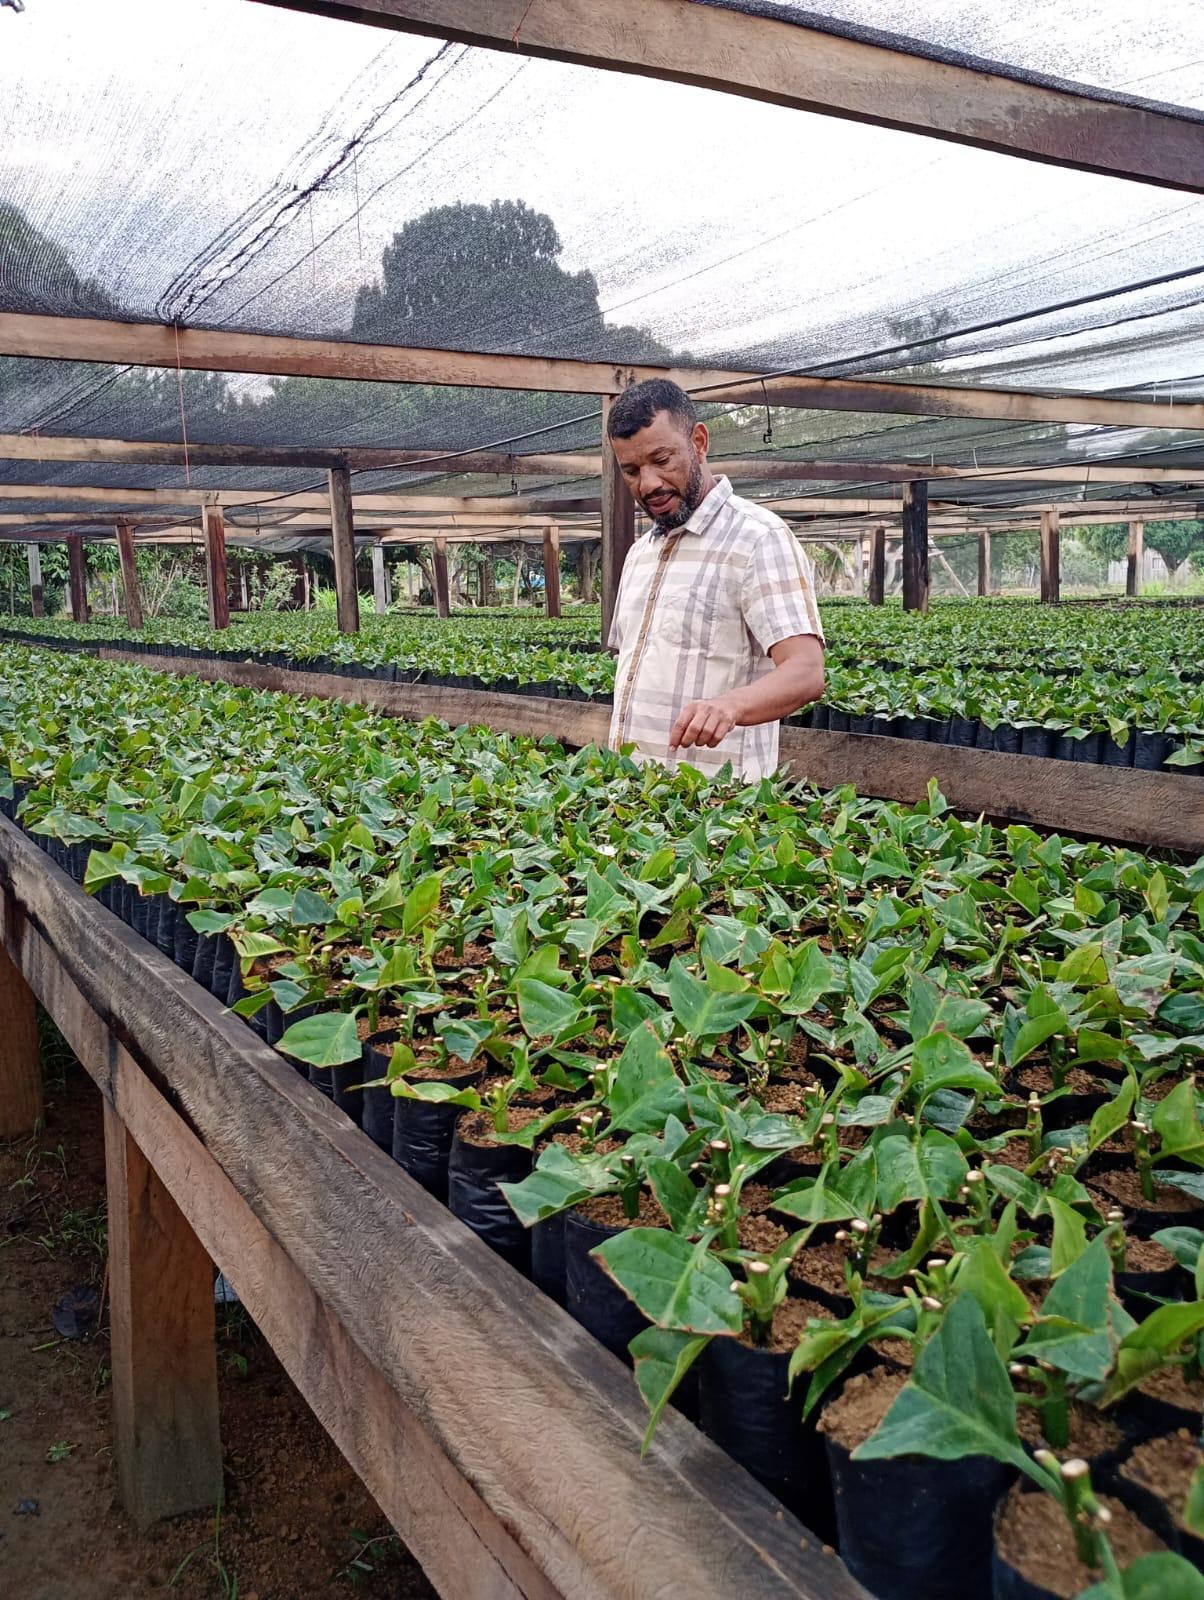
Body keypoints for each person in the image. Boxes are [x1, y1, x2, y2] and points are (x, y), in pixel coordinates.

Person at [605, 378, 825, 781]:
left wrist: (730, 706)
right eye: (632, 470)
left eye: (662, 459)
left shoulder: (758, 538)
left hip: (715, 813)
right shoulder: (640, 554)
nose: (648, 483)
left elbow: (807, 671)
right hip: (633, 801)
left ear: (700, 442)